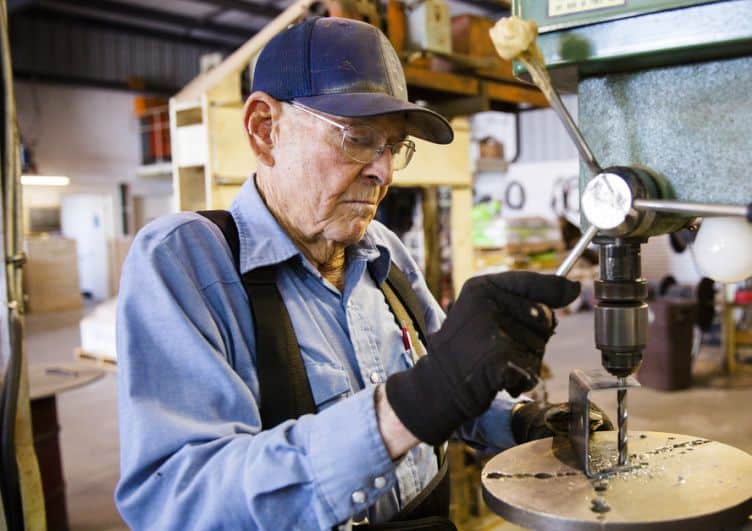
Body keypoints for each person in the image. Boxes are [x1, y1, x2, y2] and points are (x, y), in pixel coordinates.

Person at [114, 17, 587, 529]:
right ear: (265, 129)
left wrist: (520, 421)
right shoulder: (186, 262)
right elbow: (176, 501)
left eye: (394, 147)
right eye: (358, 138)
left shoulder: (384, 252)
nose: (384, 172)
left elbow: (449, 391)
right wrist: (408, 407)